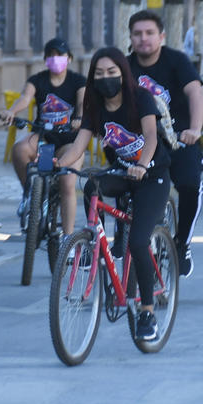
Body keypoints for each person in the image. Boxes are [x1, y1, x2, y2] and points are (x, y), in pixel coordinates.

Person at [56, 48, 172, 342]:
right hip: (122, 174)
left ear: (123, 72)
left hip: (152, 176)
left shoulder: (141, 98)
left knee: (138, 241)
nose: (106, 78)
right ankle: (97, 238)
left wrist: (143, 165)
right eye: (99, 73)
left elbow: (150, 136)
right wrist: (58, 164)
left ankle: (146, 311)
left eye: (112, 72)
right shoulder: (95, 106)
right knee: (91, 184)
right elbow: (78, 145)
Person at [128, 9, 203, 277]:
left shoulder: (177, 61)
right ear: (130, 38)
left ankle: (182, 243)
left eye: (149, 33)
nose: (143, 39)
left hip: (179, 138)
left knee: (189, 185)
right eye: (137, 34)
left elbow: (195, 92)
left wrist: (195, 129)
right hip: (139, 142)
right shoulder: (125, 67)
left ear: (161, 36)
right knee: (120, 188)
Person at [2, 37, 85, 236]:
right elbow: (25, 97)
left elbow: (84, 102)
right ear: (45, 59)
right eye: (51, 55)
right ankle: (31, 196)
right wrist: (12, 112)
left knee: (67, 183)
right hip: (45, 141)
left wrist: (80, 118)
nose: (55, 59)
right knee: (20, 149)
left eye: (60, 55)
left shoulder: (78, 81)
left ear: (69, 58)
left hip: (69, 141)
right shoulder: (37, 80)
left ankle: (67, 238)